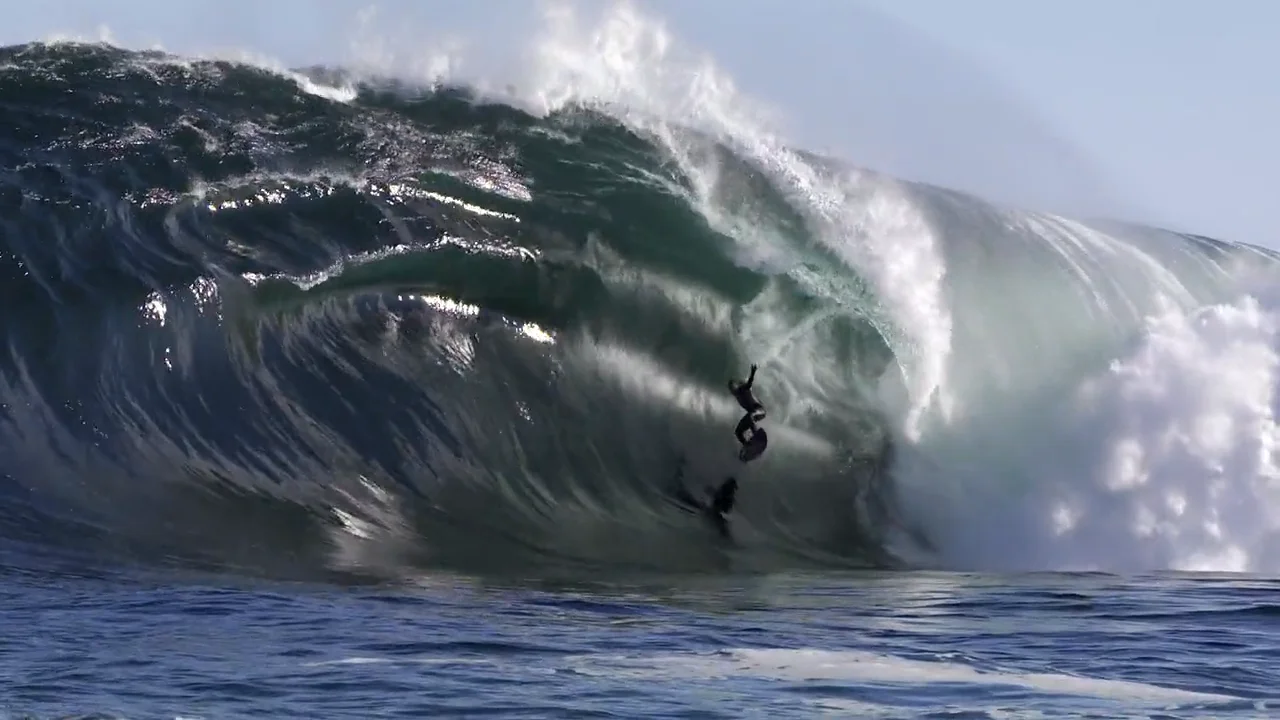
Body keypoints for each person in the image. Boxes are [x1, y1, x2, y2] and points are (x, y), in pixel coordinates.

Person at [729, 363, 767, 460]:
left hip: (759, 410)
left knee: (750, 416)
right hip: (752, 413)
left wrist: (753, 372)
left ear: (736, 385)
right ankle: (748, 446)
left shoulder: (741, 389)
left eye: (732, 386)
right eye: (730, 388)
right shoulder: (737, 396)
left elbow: (749, 383)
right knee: (738, 432)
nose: (731, 389)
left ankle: (756, 438)